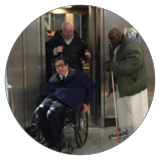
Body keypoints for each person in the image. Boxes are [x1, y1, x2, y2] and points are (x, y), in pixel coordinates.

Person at [35, 56, 95, 151]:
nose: (60, 68)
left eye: (62, 65)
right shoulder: (54, 78)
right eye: (57, 66)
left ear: (67, 65)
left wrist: (85, 102)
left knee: (52, 113)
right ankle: (49, 140)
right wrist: (37, 106)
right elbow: (44, 92)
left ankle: (57, 144)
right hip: (55, 96)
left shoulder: (77, 75)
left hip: (70, 99)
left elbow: (91, 86)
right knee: (41, 109)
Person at [104, 28, 149, 139]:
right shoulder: (117, 45)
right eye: (109, 39)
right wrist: (109, 64)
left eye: (112, 38)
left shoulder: (131, 45)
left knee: (137, 112)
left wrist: (113, 66)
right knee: (121, 108)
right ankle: (123, 130)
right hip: (122, 84)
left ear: (119, 36)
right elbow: (118, 60)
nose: (110, 41)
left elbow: (133, 63)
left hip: (134, 86)